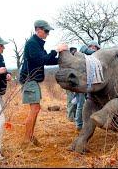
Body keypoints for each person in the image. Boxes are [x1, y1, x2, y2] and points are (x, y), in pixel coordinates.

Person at [19, 19, 68, 148]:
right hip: (30, 80)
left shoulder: (38, 43)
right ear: (38, 30)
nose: (47, 33)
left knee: (36, 109)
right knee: (34, 109)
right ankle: (26, 140)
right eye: (46, 31)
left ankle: (29, 137)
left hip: (33, 80)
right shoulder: (32, 43)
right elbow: (41, 60)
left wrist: (64, 58)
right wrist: (56, 50)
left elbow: (47, 60)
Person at [73, 40, 101, 131]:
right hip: (81, 83)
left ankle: (88, 124)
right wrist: (98, 52)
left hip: (91, 85)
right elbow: (85, 50)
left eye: (95, 47)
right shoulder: (84, 52)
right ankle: (79, 125)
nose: (93, 48)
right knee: (80, 104)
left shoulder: (95, 59)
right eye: (91, 46)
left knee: (90, 104)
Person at [66, 47, 77, 122]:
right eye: (74, 52)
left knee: (76, 100)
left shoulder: (75, 61)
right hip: (69, 84)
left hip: (75, 84)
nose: (75, 53)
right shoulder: (67, 62)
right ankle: (70, 117)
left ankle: (75, 116)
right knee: (71, 100)